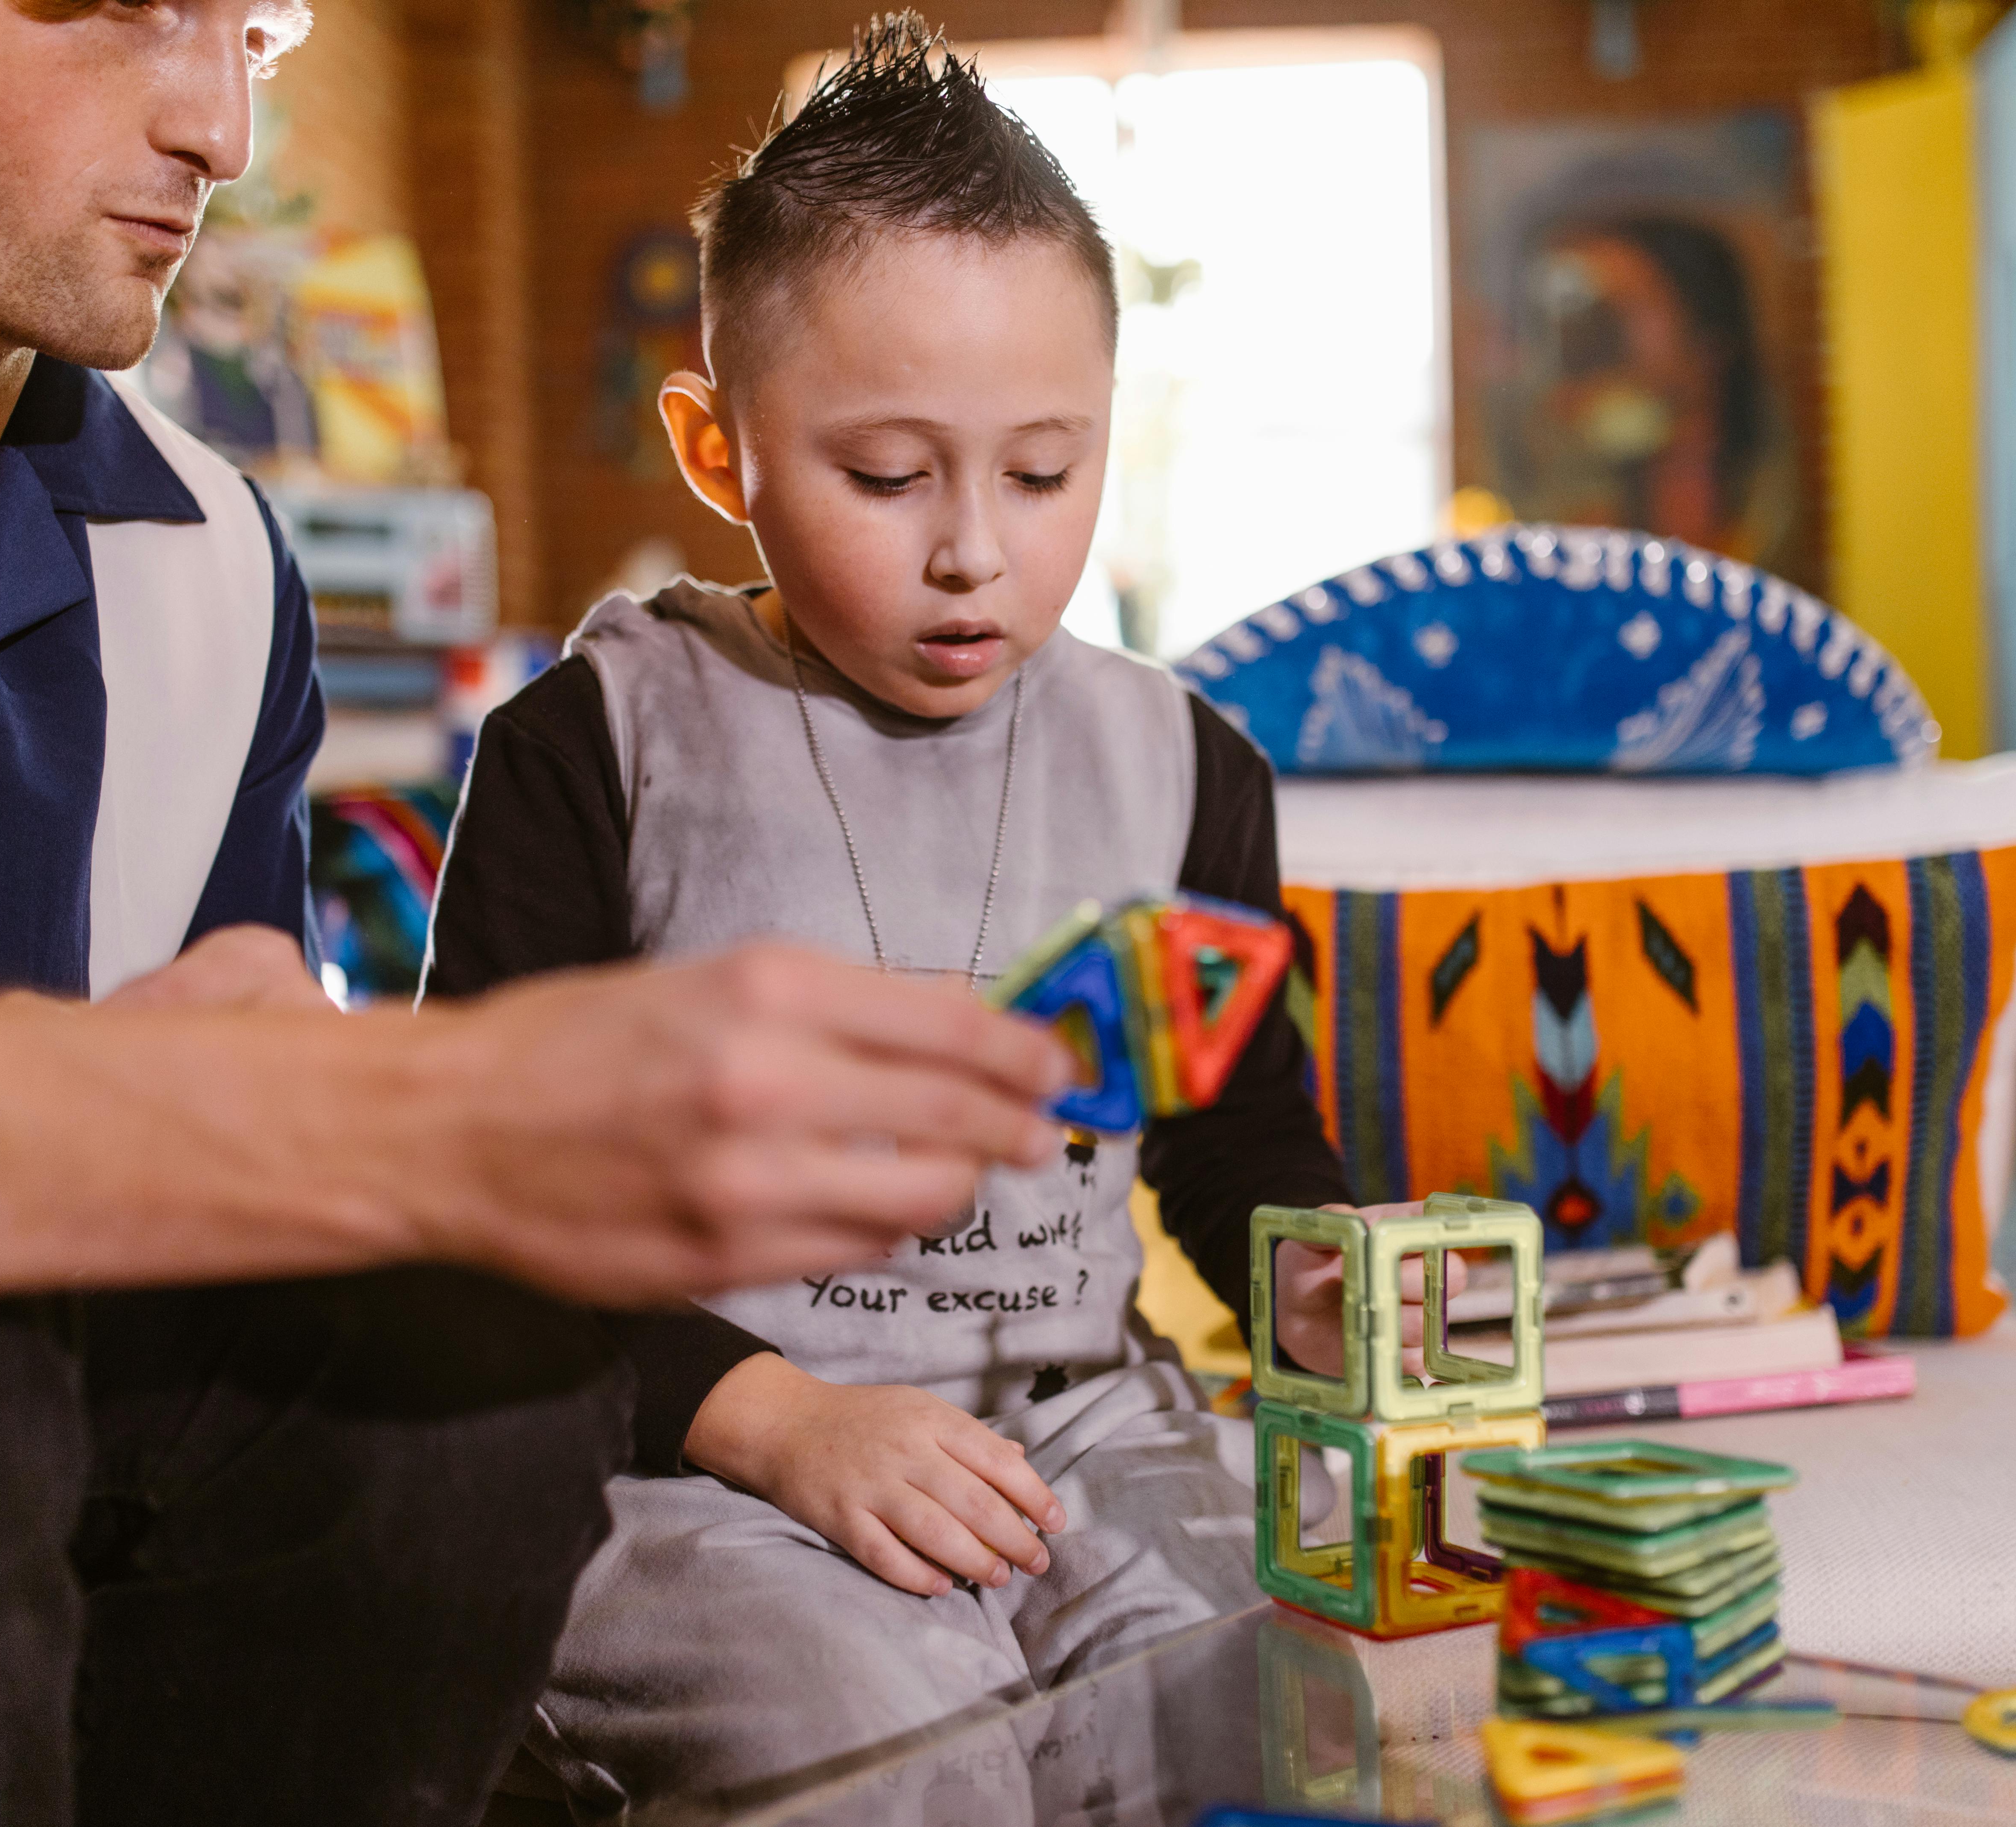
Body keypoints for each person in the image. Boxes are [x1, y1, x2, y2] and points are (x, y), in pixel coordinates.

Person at [0, 5, 1067, 1825]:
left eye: (261, 35)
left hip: (5, 1540)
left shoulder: (212, 561)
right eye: (130, 5)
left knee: (461, 1373)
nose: (220, 126)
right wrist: (429, 1111)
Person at [421, 20, 1416, 1815]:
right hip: (704, 1458)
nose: (978, 551)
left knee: (1269, 1710)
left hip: (1081, 1430)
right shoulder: (600, 745)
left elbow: (1234, 1129)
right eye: (888, 478)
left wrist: (1340, 1299)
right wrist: (780, 1425)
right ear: (719, 452)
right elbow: (492, 1209)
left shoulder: (1184, 766)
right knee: (900, 1752)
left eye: (1045, 472)